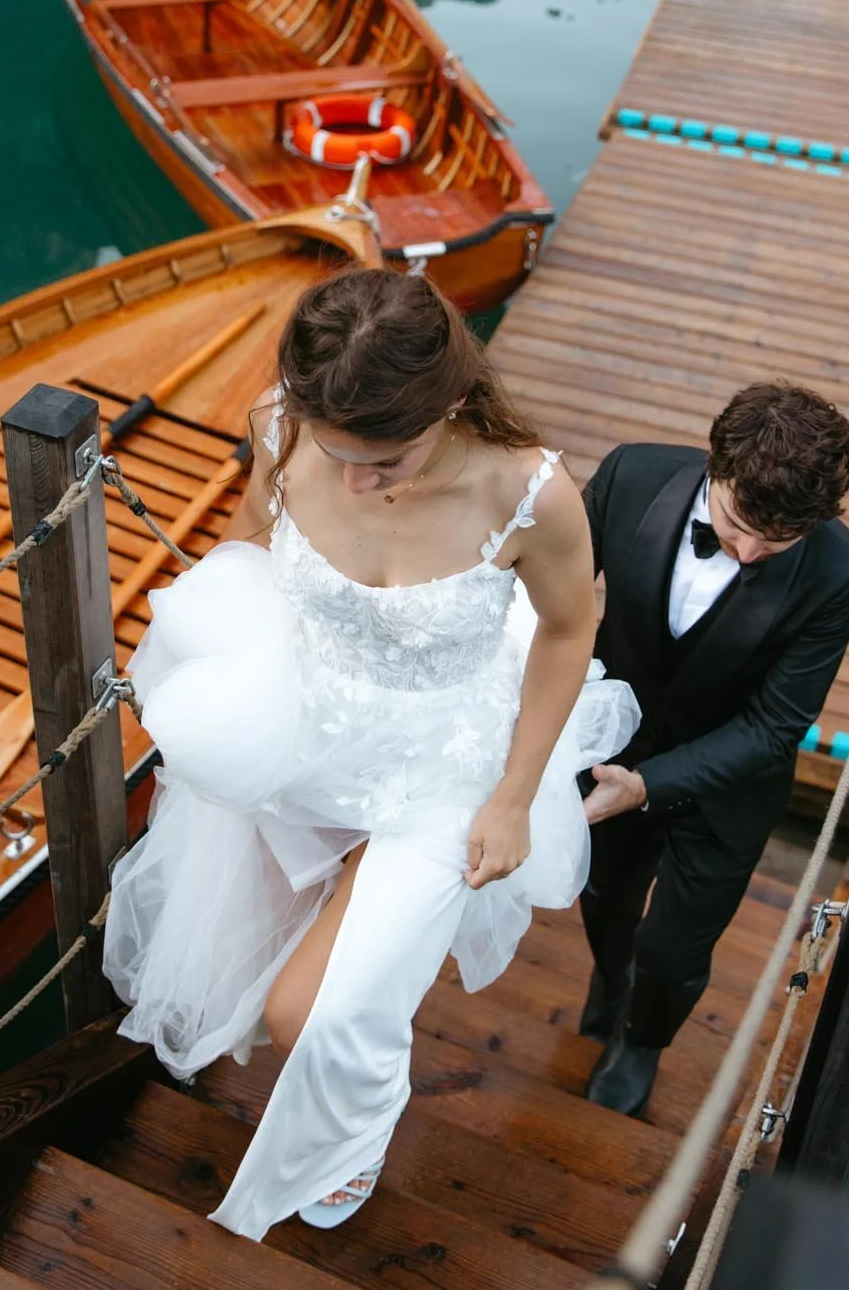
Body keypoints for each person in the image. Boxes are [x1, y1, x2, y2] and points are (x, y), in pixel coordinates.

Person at [103, 268, 638, 1240]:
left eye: (382, 457)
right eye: (338, 453)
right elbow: (249, 544)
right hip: (305, 723)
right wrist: (220, 681)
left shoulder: (528, 493)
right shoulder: (284, 425)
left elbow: (565, 630)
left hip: (448, 760)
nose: (356, 480)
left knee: (310, 1013)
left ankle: (356, 1127)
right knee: (243, 955)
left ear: (444, 402)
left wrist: (515, 796)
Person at [577, 383, 849, 1117]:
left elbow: (776, 725)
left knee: (675, 951)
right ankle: (612, 987)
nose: (745, 553)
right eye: (736, 524)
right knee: (604, 898)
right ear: (716, 465)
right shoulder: (629, 475)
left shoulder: (841, 572)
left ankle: (643, 1038)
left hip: (728, 781)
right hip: (613, 745)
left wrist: (647, 786)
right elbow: (548, 594)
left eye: (774, 546)